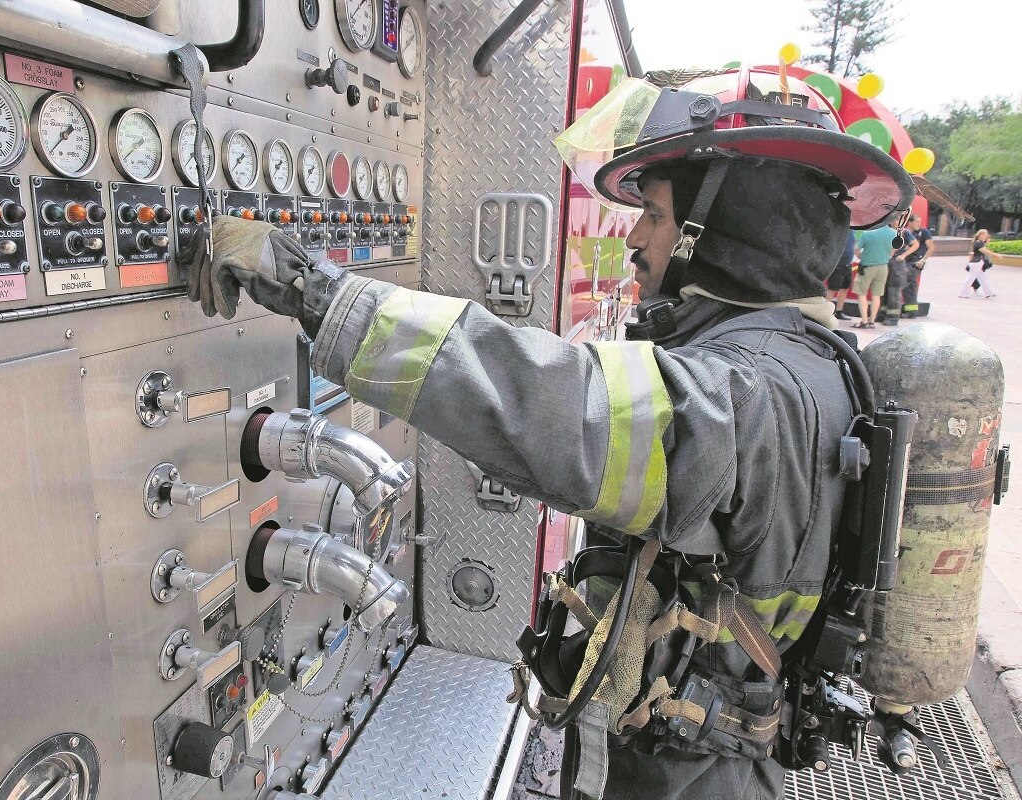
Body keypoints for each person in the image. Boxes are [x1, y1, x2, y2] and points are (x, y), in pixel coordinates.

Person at [181, 67, 914, 800]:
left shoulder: (750, 394)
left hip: (688, 774)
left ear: (724, 234)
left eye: (654, 214)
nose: (634, 237)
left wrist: (313, 291)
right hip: (699, 748)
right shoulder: (805, 362)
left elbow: (547, 403)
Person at [850, 224, 897, 328]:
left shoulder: (867, 233)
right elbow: (893, 251)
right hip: (883, 267)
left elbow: (857, 250)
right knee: (876, 295)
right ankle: (872, 321)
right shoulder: (893, 233)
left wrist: (862, 256)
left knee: (861, 293)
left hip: (867, 266)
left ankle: (864, 321)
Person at [881, 224, 918, 326]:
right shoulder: (886, 231)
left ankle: (893, 317)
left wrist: (903, 255)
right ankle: (882, 314)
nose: (896, 222)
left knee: (894, 291)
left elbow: (915, 244)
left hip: (897, 264)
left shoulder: (904, 232)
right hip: (885, 262)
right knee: (884, 290)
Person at [901, 215, 934, 317]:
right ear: (910, 222)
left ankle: (910, 311)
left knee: (907, 283)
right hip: (906, 262)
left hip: (916, 262)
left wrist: (923, 260)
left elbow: (931, 247)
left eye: (920, 222)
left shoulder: (924, 232)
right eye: (917, 221)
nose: (919, 224)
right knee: (911, 285)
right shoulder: (905, 232)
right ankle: (911, 311)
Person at [826, 229, 857, 319]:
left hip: (848, 263)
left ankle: (839, 311)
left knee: (845, 288)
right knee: (832, 288)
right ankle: (826, 311)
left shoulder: (852, 231)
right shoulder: (838, 231)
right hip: (838, 264)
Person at [960, 229, 997, 298]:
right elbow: (984, 251)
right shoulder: (978, 242)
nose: (986, 236)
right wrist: (995, 255)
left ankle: (988, 293)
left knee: (982, 278)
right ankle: (963, 293)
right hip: (976, 262)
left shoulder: (980, 242)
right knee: (971, 278)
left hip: (979, 262)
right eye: (985, 235)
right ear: (981, 235)